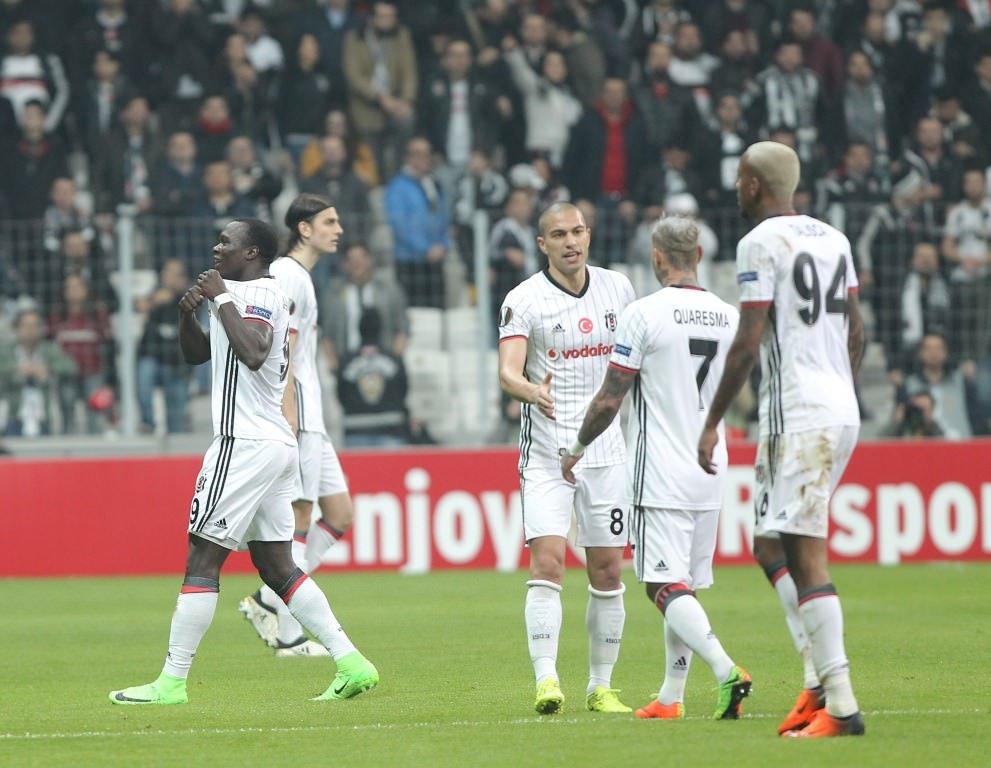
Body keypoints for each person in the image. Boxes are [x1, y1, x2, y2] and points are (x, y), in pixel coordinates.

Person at [109, 218, 378, 705]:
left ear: (252, 252)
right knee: (276, 566)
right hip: (272, 445)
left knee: (201, 556)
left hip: (244, 443)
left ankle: (171, 681)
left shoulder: (255, 296)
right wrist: (189, 315)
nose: (216, 248)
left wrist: (221, 299)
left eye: (226, 242)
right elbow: (197, 357)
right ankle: (351, 661)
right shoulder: (240, 294)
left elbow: (253, 352)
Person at [698, 142, 866, 738]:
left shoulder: (759, 243)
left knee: (804, 552)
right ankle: (818, 679)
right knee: (768, 542)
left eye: (739, 180)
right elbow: (856, 326)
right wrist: (839, 386)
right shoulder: (834, 239)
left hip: (798, 414)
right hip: (837, 407)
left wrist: (713, 418)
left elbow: (748, 339)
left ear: (751, 183)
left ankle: (840, 706)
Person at [561, 214, 750, 721]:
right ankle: (671, 697)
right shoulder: (729, 315)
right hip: (711, 467)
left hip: (660, 471)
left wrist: (577, 447)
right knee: (683, 585)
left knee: (660, 586)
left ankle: (727, 669)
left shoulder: (644, 313)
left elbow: (610, 398)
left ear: (657, 258)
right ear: (702, 256)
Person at [497, 201, 635, 715]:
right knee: (548, 561)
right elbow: (507, 371)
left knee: (607, 572)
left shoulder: (617, 288)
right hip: (547, 454)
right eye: (559, 234)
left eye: (578, 230)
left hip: (607, 452)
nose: (571, 241)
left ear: (589, 233)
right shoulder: (524, 300)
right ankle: (546, 681)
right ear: (543, 244)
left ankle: (601, 686)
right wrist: (530, 390)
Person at [237, 196, 358, 657]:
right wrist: (286, 410)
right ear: (304, 229)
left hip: (314, 415)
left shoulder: (300, 276)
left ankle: (268, 598)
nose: (338, 229)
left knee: (341, 514)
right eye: (329, 221)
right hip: (300, 413)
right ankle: (288, 635)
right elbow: (281, 348)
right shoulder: (289, 275)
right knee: (301, 517)